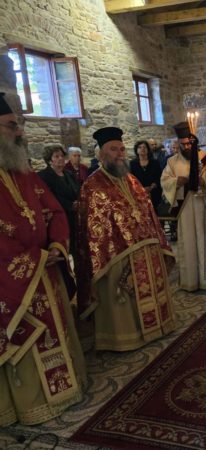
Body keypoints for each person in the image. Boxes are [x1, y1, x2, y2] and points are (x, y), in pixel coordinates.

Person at [0, 92, 86, 426]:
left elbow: (55, 211)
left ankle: (64, 392)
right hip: (12, 280)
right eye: (12, 126)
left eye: (19, 125)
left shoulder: (24, 173)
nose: (20, 132)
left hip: (46, 271)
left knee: (57, 331)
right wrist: (36, 257)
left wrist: (57, 245)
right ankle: (30, 405)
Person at [76, 126, 176, 351]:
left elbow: (147, 212)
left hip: (147, 249)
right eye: (114, 149)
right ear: (101, 154)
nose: (120, 154)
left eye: (122, 149)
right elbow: (92, 231)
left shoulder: (132, 180)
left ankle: (158, 327)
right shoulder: (92, 186)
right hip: (115, 256)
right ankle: (126, 337)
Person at [161, 122, 206, 291]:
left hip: (205, 207)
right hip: (185, 210)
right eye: (183, 144)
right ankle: (191, 281)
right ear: (178, 143)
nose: (186, 147)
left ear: (194, 141)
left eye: (189, 143)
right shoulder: (172, 162)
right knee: (189, 244)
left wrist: (204, 182)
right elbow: (165, 181)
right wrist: (177, 182)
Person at [37, 143, 80, 254]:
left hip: (73, 218)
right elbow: (49, 197)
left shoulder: (69, 174)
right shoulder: (43, 176)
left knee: (75, 250)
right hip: (58, 219)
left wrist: (79, 201)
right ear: (49, 160)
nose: (61, 158)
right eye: (56, 156)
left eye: (62, 156)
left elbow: (77, 190)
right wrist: (70, 205)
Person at [130, 140, 163, 211]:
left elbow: (159, 177)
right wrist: (141, 189)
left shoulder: (155, 163)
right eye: (140, 147)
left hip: (153, 192)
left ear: (148, 150)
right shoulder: (132, 163)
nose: (142, 149)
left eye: (144, 147)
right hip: (138, 193)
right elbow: (131, 178)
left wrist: (151, 187)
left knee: (154, 211)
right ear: (136, 150)